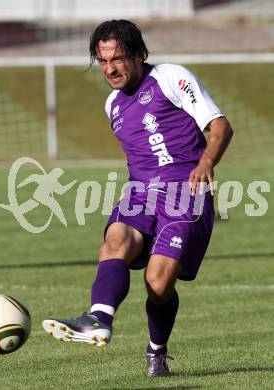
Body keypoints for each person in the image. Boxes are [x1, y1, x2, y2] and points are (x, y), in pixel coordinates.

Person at [43, 19, 233, 377]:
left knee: (159, 284)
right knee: (115, 240)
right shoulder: (112, 105)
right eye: (102, 61)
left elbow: (220, 125)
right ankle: (97, 318)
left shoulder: (170, 77)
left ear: (139, 54)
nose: (110, 69)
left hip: (185, 191)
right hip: (141, 193)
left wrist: (206, 162)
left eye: (117, 59)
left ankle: (157, 350)